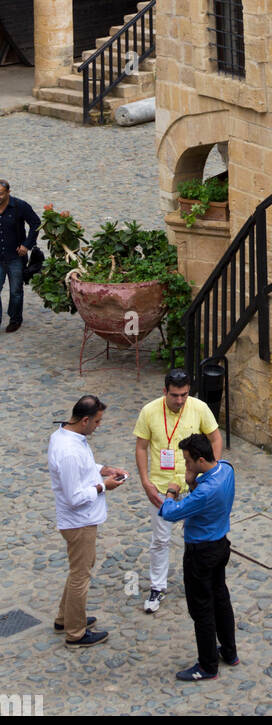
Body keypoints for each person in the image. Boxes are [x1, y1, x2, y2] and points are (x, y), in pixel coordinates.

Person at [134, 367, 222, 614]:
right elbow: (141, 447)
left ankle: (197, 583)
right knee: (161, 539)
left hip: (194, 487)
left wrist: (211, 473)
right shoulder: (149, 411)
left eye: (184, 394)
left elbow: (215, 438)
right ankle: (157, 586)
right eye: (175, 395)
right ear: (165, 391)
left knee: (196, 539)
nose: (180, 400)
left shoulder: (199, 408)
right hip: (161, 488)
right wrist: (145, 481)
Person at [150, 433, 237, 682]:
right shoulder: (227, 470)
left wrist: (171, 491)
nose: (186, 466)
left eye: (188, 461)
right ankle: (230, 652)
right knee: (221, 598)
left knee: (201, 608)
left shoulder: (205, 493)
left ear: (200, 459)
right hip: (221, 544)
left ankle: (207, 665)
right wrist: (192, 480)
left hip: (201, 553)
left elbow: (170, 513)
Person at [47, 395, 128, 646]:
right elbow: (74, 497)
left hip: (81, 520)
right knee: (81, 576)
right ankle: (76, 633)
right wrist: (104, 486)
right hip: (78, 521)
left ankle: (65, 618)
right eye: (97, 421)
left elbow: (84, 467)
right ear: (84, 420)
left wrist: (103, 469)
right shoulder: (69, 451)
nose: (98, 426)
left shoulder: (65, 436)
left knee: (78, 571)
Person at [0, 178, 40, 333]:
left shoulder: (19, 206)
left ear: (8, 192)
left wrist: (27, 245)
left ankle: (15, 319)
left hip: (15, 257)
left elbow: (36, 223)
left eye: (1, 194)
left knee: (16, 291)